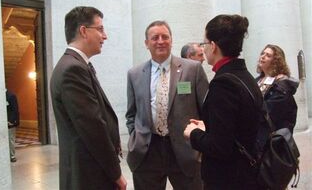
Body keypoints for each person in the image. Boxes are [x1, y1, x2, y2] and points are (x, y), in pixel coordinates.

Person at [50, 6, 127, 190]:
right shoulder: (73, 69)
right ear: (83, 31)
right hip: (89, 174)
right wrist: (116, 174)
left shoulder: (75, 64)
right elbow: (93, 128)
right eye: (100, 29)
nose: (105, 36)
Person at [126, 20, 208, 190]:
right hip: (147, 150)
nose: (160, 41)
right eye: (155, 37)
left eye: (165, 36)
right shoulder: (134, 74)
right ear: (146, 43)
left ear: (171, 40)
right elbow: (131, 114)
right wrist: (135, 137)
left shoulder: (192, 69)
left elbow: (206, 110)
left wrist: (201, 145)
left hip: (185, 149)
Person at [184, 14, 263, 190]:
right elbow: (236, 127)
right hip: (245, 172)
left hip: (229, 178)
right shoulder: (243, 75)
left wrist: (194, 133)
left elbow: (220, 147)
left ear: (213, 46)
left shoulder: (223, 84)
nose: (203, 49)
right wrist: (208, 127)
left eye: (204, 44)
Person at [256, 44, 299, 133]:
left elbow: (270, 111)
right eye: (262, 53)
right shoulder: (256, 81)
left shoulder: (282, 84)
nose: (263, 57)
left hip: (271, 135)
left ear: (276, 61)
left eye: (268, 55)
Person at [6, 89, 20, 163]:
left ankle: (12, 156)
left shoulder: (11, 95)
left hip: (9, 122)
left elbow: (15, 109)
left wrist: (11, 121)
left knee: (10, 139)